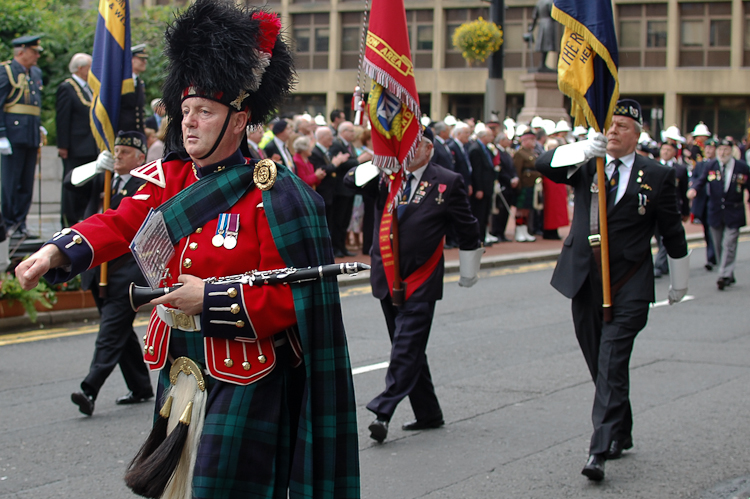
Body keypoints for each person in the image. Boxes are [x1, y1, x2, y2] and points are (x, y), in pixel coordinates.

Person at [15, 2, 359, 497]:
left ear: (238, 121)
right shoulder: (168, 178)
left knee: (221, 489)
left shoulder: (274, 194)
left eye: (205, 112)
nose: (190, 122)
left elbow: (289, 299)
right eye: (186, 111)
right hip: (180, 363)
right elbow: (119, 222)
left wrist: (211, 300)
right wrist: (56, 252)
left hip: (246, 373)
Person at [536, 99, 689, 482]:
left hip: (630, 281)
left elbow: (672, 230)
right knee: (601, 364)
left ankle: (598, 449)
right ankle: (621, 429)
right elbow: (541, 165)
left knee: (611, 360)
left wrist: (679, 278)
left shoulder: (656, 174)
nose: (614, 131)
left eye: (623, 126)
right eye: (611, 125)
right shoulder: (589, 163)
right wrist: (583, 149)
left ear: (637, 135)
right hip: (586, 279)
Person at [346, 127, 482, 443]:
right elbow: (347, 182)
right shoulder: (386, 178)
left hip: (422, 277)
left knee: (406, 346)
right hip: (387, 275)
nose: (405, 150)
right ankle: (428, 412)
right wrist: (379, 163)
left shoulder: (447, 180)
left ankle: (384, 410)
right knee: (408, 346)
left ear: (428, 148)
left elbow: (467, 227)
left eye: (412, 144)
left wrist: (468, 269)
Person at [64, 130, 153, 416]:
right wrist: (93, 167)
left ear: (140, 157)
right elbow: (69, 186)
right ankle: (140, 387)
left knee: (110, 331)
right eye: (116, 151)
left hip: (126, 272)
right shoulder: (103, 179)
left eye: (124, 152)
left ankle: (89, 388)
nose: (117, 156)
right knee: (119, 332)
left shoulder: (143, 185)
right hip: (97, 270)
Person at [688, 138, 750, 290]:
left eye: (726, 150)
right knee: (718, 245)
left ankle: (722, 274)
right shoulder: (712, 165)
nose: (723, 153)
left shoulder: (741, 167)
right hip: (715, 211)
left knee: (729, 243)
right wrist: (694, 190)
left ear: (732, 151)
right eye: (720, 150)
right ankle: (728, 273)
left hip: (733, 211)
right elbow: (701, 181)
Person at [0, 35, 44, 239]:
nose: (37, 55)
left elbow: (33, 105)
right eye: (33, 51)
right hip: (12, 136)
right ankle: (8, 223)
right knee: (11, 182)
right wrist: (1, 134)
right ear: (20, 52)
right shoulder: (6, 71)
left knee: (26, 182)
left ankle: (21, 223)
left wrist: (38, 126)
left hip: (30, 134)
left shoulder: (35, 72)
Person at [56, 53, 98, 227]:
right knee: (72, 185)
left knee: (88, 185)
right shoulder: (67, 87)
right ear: (81, 68)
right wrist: (63, 145)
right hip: (75, 146)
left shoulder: (88, 88)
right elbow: (63, 117)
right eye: (89, 67)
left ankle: (84, 218)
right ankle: (69, 221)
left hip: (90, 146)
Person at [329, 121, 369, 257]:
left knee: (345, 220)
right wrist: (358, 160)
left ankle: (342, 246)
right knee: (338, 220)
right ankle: (336, 247)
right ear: (343, 131)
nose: (353, 134)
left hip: (350, 188)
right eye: (351, 131)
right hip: (340, 188)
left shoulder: (349, 145)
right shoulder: (336, 144)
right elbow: (339, 164)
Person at [311, 126, 350, 253]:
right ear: (322, 137)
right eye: (329, 135)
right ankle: (331, 249)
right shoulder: (315, 152)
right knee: (327, 223)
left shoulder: (325, 151)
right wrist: (335, 164)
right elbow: (322, 170)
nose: (332, 138)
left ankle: (339, 247)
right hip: (323, 192)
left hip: (332, 192)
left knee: (335, 222)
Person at [653, 141, 690, 277]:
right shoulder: (653, 166)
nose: (666, 152)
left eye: (669, 150)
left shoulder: (680, 169)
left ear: (674, 153)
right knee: (659, 237)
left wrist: (686, 211)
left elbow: (684, 191)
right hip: (655, 208)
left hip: (673, 208)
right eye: (663, 149)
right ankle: (666, 262)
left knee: (665, 237)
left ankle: (659, 265)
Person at [689, 137, 717, 270]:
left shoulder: (718, 164)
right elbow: (695, 177)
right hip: (703, 201)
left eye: (712, 148)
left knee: (715, 230)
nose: (709, 150)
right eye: (707, 148)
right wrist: (693, 186)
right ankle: (711, 257)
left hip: (716, 202)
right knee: (707, 230)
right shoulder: (701, 164)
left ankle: (714, 256)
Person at [468, 127, 497, 244]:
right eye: (490, 135)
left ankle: (483, 236)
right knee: (479, 214)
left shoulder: (486, 148)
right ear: (483, 136)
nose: (492, 138)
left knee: (485, 214)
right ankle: (478, 238)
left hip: (488, 186)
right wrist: (479, 188)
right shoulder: (476, 149)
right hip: (481, 188)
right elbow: (477, 171)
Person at [490, 131, 519, 241]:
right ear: (501, 141)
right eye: (507, 140)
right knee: (499, 211)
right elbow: (500, 169)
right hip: (502, 184)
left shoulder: (507, 152)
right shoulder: (497, 152)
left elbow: (512, 168)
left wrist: (515, 177)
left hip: (509, 185)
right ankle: (496, 231)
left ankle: (502, 232)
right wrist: (509, 179)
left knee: (505, 212)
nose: (509, 142)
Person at [513, 127, 541, 242]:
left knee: (527, 209)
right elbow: (517, 170)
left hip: (531, 184)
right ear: (525, 141)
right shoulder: (520, 153)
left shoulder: (532, 153)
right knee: (521, 210)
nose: (533, 142)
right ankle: (519, 230)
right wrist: (518, 186)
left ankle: (524, 230)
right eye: (531, 140)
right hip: (524, 184)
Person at [118, 44, 147, 134]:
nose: (145, 62)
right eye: (141, 59)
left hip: (137, 131)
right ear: (131, 60)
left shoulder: (139, 82)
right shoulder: (121, 81)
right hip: (123, 131)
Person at [525, 0, 557, 72]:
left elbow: (534, 16)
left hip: (541, 25)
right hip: (549, 24)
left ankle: (542, 63)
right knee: (547, 45)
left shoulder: (539, 3)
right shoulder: (550, 2)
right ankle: (542, 64)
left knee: (544, 45)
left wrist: (531, 28)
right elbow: (553, 15)